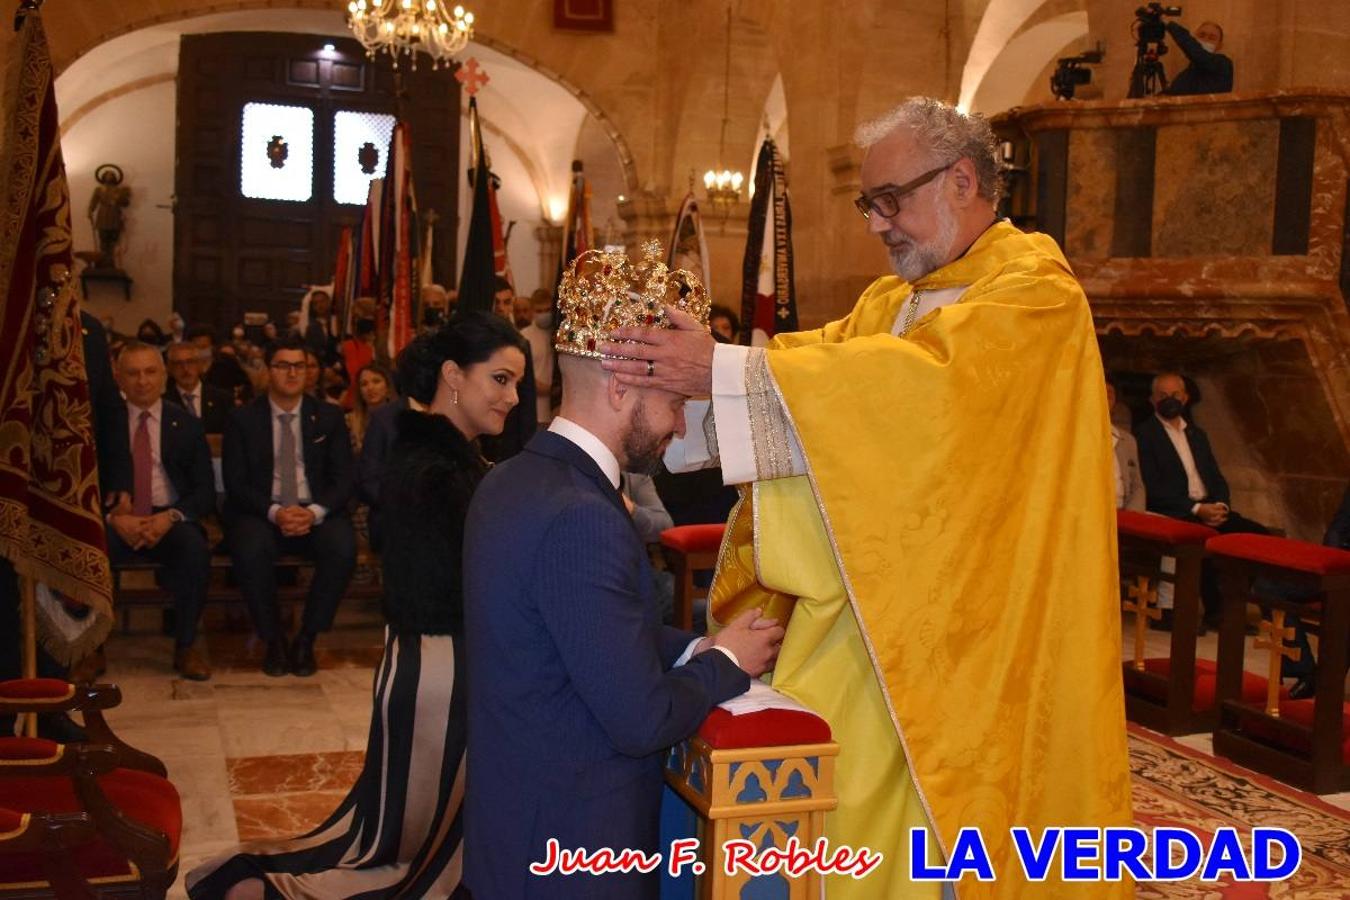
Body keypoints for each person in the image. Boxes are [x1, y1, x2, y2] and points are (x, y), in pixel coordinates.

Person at [600, 97, 1133, 898]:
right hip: (877, 603)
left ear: (961, 179)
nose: (879, 224)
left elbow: (924, 401)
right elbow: (816, 366)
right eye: (868, 204)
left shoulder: (1035, 295)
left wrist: (720, 370)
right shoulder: (893, 301)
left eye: (893, 200)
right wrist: (693, 368)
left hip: (983, 638)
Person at [462, 246, 782, 900]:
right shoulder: (582, 516)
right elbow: (640, 718)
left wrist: (700, 643)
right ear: (620, 386)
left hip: (512, 834)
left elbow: (594, 631)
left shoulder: (512, 480)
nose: (678, 425)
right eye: (672, 401)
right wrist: (728, 666)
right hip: (574, 854)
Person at [188, 314, 526, 900]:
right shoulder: (433, 471)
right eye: (500, 379)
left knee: (398, 839)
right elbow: (440, 590)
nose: (513, 398)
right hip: (439, 674)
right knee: (416, 862)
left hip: (432, 665)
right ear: (452, 375)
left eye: (517, 383)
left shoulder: (447, 460)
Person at [222, 336, 356, 677]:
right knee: (250, 549)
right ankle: (273, 639)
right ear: (269, 370)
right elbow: (236, 484)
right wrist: (275, 512)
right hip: (261, 512)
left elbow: (343, 480)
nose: (292, 373)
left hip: (315, 512)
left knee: (342, 547)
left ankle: (307, 638)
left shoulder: (328, 416)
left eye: (299, 365)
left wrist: (313, 513)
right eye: (283, 365)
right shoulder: (243, 419)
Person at [107, 343, 215, 680]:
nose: (142, 381)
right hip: (117, 517)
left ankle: (186, 645)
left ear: (164, 377)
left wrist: (170, 517)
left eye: (150, 371)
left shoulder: (186, 424)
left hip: (169, 516)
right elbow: (81, 485)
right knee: (88, 549)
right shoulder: (102, 424)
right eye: (133, 373)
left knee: (194, 550)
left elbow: (205, 493)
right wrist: (112, 517)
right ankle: (89, 649)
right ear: (118, 378)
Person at [1135, 371, 1269, 626]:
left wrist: (1219, 506)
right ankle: (1197, 610)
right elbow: (1152, 487)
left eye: (1175, 394)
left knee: (1258, 537)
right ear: (1152, 400)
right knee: (1200, 542)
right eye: (1163, 395)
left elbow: (1216, 477)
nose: (1169, 400)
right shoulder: (1144, 434)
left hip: (1210, 508)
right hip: (1176, 511)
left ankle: (1227, 608)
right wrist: (1197, 509)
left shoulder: (1197, 434)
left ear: (1185, 398)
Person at [165, 340, 231, 435]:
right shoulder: (164, 403)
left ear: (200, 365)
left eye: (190, 362)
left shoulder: (223, 399)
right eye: (178, 364)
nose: (185, 369)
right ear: (170, 368)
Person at [1163, 19, 1233, 96]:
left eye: (1211, 38)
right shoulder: (1185, 74)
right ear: (1195, 39)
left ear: (1219, 45)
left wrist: (1170, 24)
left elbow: (1199, 55)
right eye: (1201, 35)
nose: (1205, 40)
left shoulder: (1223, 64)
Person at [519, 288, 555, 427]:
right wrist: (545, 388)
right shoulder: (524, 336)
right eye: (539, 311)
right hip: (534, 411)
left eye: (547, 310)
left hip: (556, 410)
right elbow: (521, 371)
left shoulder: (558, 334)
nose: (543, 314)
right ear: (532, 311)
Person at [1109, 379, 1145, 512]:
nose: (1104, 399)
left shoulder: (1127, 440)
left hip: (1125, 514)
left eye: (1109, 395)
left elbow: (1137, 485)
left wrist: (1133, 516)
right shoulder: (1073, 437)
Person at [347, 363, 393, 454]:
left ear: (388, 387)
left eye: (376, 381)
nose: (370, 388)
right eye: (364, 384)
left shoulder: (401, 417)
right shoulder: (349, 421)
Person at [339, 318, 378, 409]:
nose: (374, 336)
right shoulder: (350, 346)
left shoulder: (369, 348)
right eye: (372, 333)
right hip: (353, 392)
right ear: (366, 333)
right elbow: (354, 371)